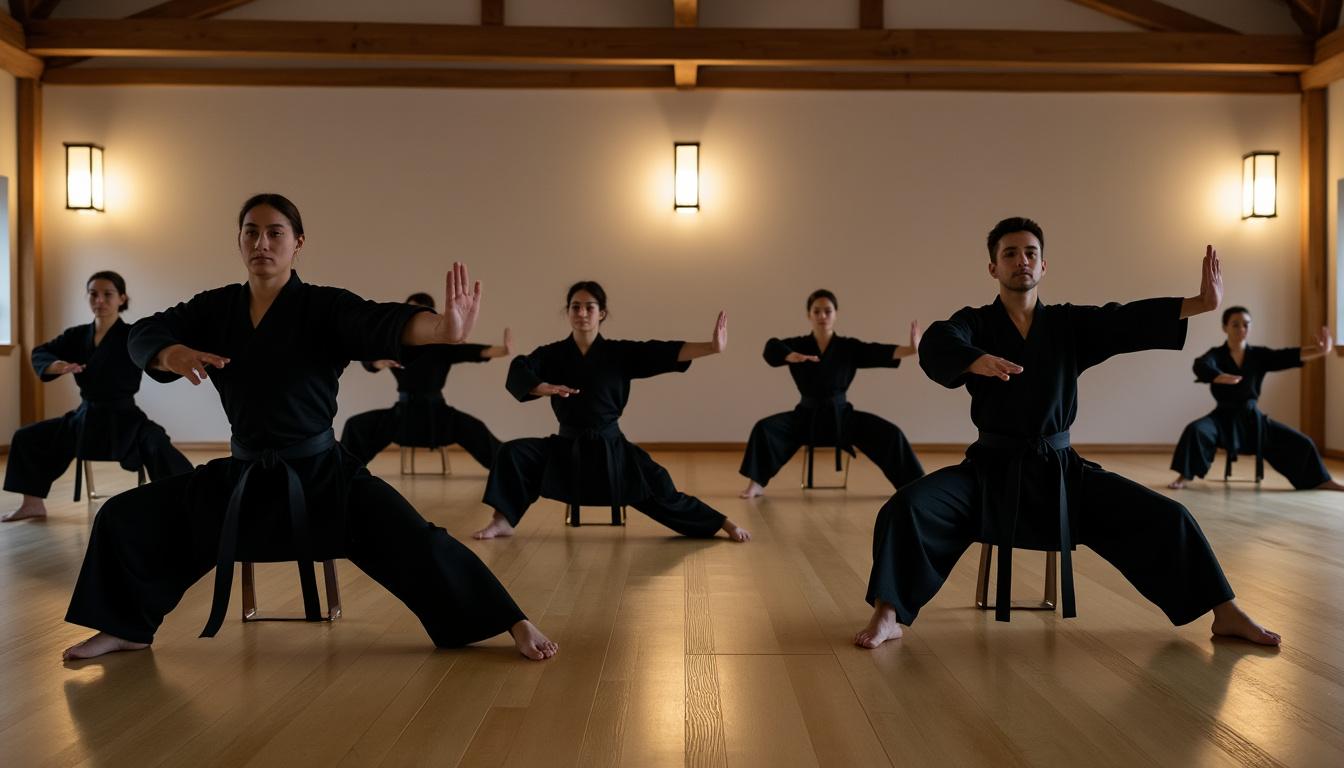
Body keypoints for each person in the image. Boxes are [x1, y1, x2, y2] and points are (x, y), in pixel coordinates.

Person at [61, 194, 556, 662]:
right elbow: (144, 332)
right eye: (251, 232)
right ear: (239, 241)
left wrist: (442, 330)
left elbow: (382, 321)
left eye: (275, 233)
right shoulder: (214, 310)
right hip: (243, 481)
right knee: (124, 517)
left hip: (323, 481)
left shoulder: (325, 307)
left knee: (419, 541)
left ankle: (510, 621)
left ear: (298, 242)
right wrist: (172, 353)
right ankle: (124, 628)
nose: (262, 243)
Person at [854, 217, 1279, 649]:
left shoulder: (1068, 325)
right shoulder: (974, 324)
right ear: (993, 269)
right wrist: (973, 359)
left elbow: (1125, 320)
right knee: (905, 507)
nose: (1022, 260)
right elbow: (937, 342)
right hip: (987, 476)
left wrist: (1199, 303)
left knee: (1170, 517)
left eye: (1030, 253)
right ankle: (888, 614)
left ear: (1043, 267)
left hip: (1061, 477)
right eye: (1010, 253)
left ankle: (1224, 613)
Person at [473, 280, 751, 542]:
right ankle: (502, 521)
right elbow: (520, 368)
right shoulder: (552, 355)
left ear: (602, 313)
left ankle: (722, 523)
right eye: (575, 306)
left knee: (660, 485)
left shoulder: (620, 354)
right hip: (566, 450)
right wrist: (539, 386)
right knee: (512, 453)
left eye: (589, 307)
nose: (582, 312)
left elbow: (664, 352)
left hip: (612, 450)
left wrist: (712, 347)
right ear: (568, 312)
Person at [3, 271, 192, 522]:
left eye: (107, 294)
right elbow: (41, 352)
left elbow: (154, 353)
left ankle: (187, 507)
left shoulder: (132, 334)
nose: (99, 300)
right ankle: (32, 504)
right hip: (85, 419)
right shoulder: (76, 336)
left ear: (122, 298)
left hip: (125, 420)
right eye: (93, 294)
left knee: (158, 445)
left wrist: (170, 360)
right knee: (27, 437)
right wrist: (56, 365)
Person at [738, 289, 924, 498]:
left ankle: (913, 486)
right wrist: (790, 355)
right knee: (764, 429)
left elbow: (877, 352)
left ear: (836, 314)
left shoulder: (848, 347)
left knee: (891, 434)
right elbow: (771, 347)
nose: (822, 316)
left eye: (827, 311)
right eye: (816, 311)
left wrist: (911, 349)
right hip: (805, 417)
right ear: (809, 315)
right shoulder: (798, 345)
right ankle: (756, 484)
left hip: (842, 417)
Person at [1168, 306, 1342, 490]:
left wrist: (1318, 351)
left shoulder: (1258, 355)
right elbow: (1201, 365)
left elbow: (1286, 356)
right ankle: (1184, 476)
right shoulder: (1216, 355)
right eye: (1235, 325)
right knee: (1196, 430)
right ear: (1225, 327)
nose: (1242, 329)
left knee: (1303, 442)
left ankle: (1322, 481)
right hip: (1222, 419)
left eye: (1246, 324)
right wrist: (1217, 376)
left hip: (1253, 420)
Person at [340, 291, 508, 469]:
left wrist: (504, 350)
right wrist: (379, 363)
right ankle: (343, 474)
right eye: (411, 310)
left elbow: (475, 352)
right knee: (355, 426)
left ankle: (511, 468)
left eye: (420, 311)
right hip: (402, 417)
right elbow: (370, 362)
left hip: (438, 417)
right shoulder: (396, 345)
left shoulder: (442, 347)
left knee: (477, 430)